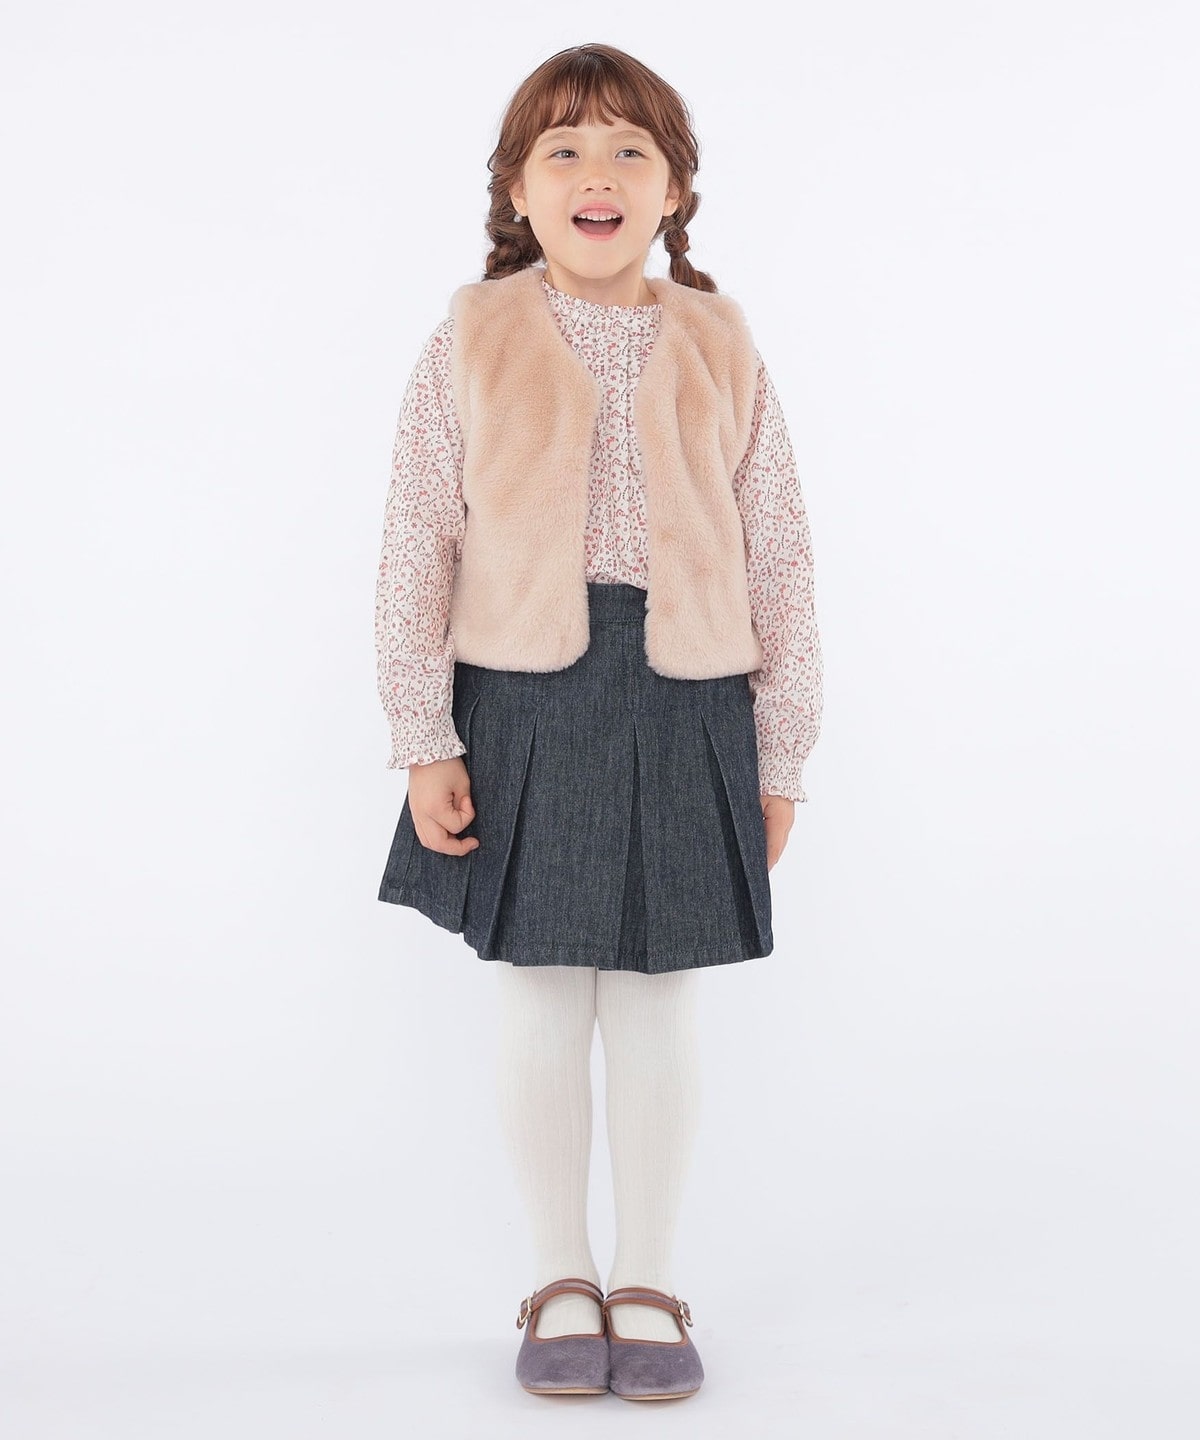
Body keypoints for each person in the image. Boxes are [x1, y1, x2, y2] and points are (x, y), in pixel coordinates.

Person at [374, 42, 823, 1402]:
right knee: (539, 991)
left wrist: (783, 748)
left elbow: (779, 550)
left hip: (690, 699)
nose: (599, 172)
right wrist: (424, 737)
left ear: (675, 189)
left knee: (656, 998)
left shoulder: (722, 344)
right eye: (562, 148)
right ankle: (560, 1273)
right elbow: (416, 542)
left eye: (632, 148)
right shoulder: (472, 338)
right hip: (523, 696)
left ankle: (650, 1278)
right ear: (518, 190)